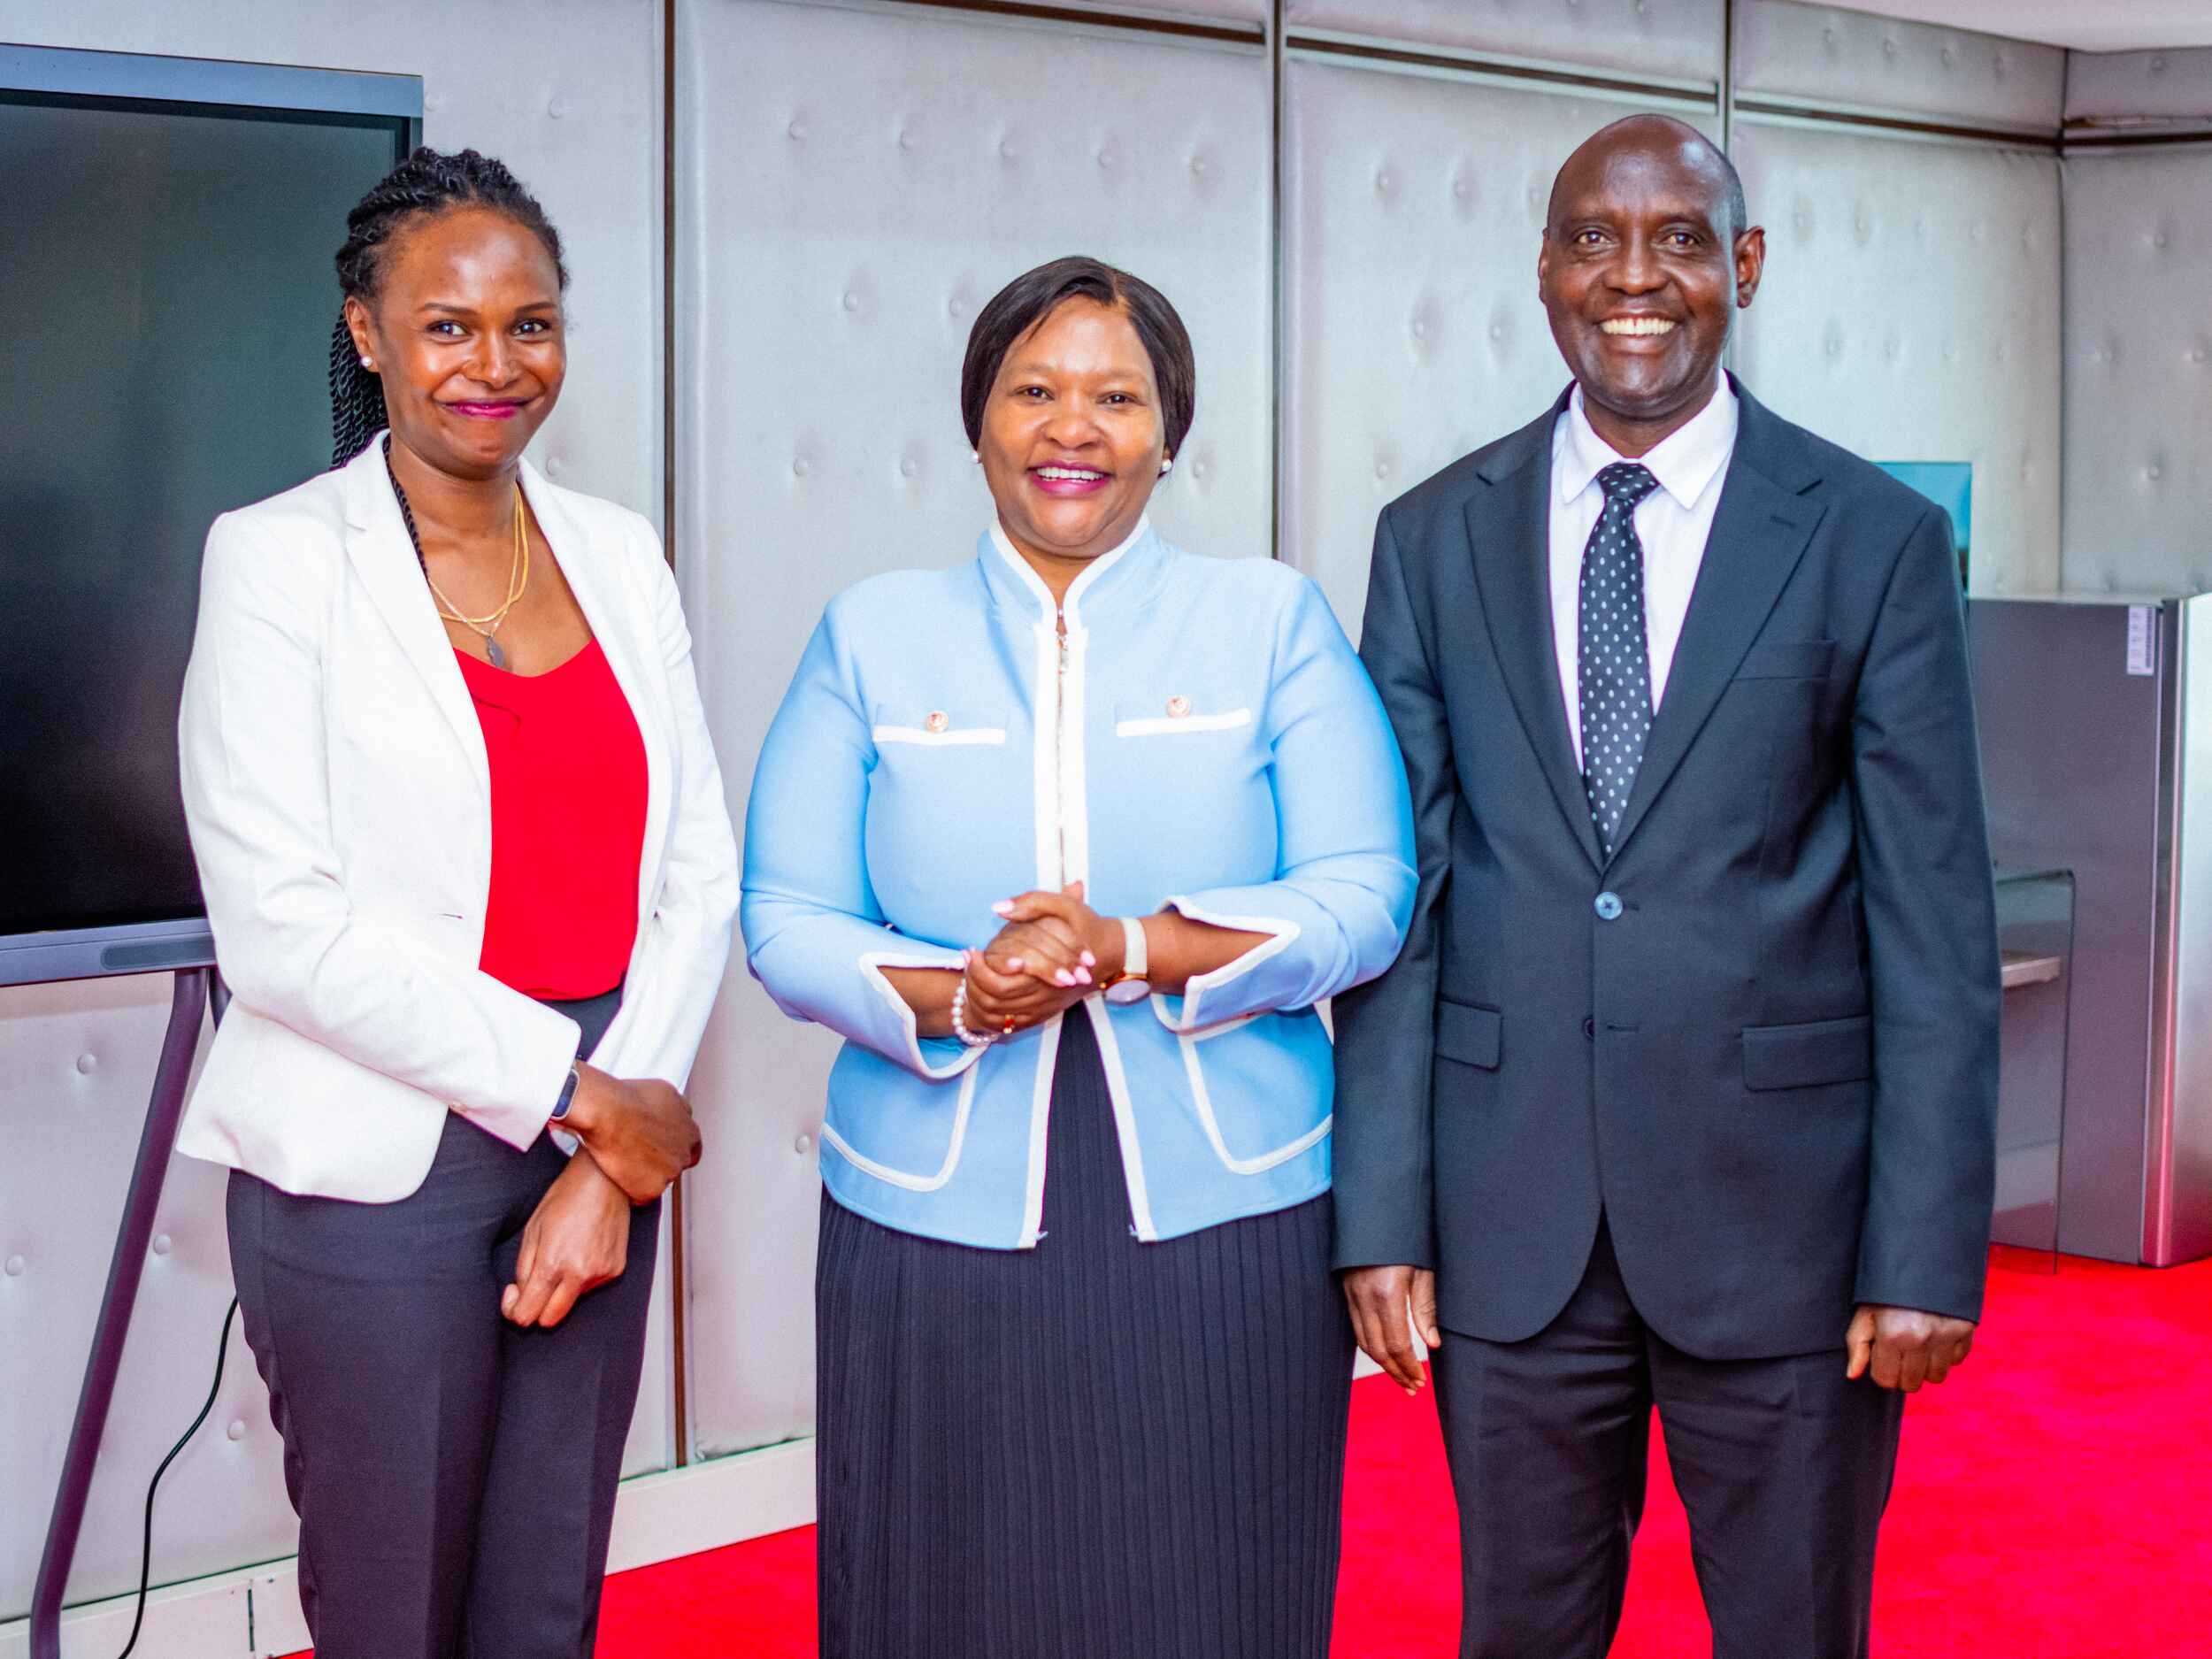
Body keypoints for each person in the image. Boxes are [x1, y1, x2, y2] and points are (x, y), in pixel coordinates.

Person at [1332, 114, 2000, 1658]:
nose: (1636, 278)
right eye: (1594, 240)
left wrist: (1923, 1248)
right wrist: (1384, 1213)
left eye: (1681, 240)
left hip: (1791, 1237)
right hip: (1511, 1228)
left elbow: (1933, 921)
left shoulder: (1871, 541)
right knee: (1522, 1635)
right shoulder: (1431, 538)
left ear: (1743, 267)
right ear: (1547, 269)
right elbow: (1406, 898)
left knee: (1790, 1630)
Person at [743, 254, 1415, 1659]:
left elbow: (1367, 894)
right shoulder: (872, 634)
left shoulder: (1271, 621)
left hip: (1226, 1214)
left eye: (1116, 396)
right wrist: (960, 993)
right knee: (939, 1594)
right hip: (929, 1215)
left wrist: (1138, 948)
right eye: (1034, 391)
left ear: (1171, 430)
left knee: (1214, 1584)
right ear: (976, 419)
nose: (1073, 427)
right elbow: (787, 918)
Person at [175, 147, 738, 1659]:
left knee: (546, 1598)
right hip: (381, 1174)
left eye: (531, 324)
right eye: (449, 326)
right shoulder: (280, 560)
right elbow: (281, 929)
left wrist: (611, 1153)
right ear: (368, 332)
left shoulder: (617, 552)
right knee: (394, 1608)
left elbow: (699, 871)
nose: (496, 364)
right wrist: (579, 1097)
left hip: (592, 1146)